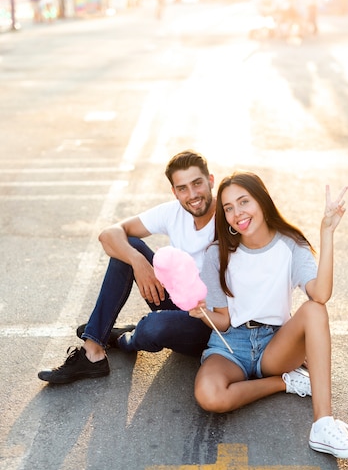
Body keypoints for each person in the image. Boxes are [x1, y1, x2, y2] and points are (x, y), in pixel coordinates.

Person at [189, 172, 348, 459]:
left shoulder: (290, 244)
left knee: (314, 309)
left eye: (243, 202)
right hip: (230, 345)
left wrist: (327, 232)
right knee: (210, 396)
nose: (237, 213)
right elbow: (222, 320)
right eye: (229, 208)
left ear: (261, 201)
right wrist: (203, 314)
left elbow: (320, 294)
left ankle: (323, 425)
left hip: (276, 345)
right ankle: (286, 382)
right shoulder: (217, 254)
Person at [38, 151, 216, 384]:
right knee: (127, 245)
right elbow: (108, 235)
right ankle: (93, 351)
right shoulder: (173, 212)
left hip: (210, 322)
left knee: (153, 328)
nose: (192, 194)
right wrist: (137, 260)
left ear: (210, 180)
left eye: (197, 183)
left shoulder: (229, 214)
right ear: (174, 192)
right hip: (180, 302)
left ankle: (124, 338)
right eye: (182, 188)